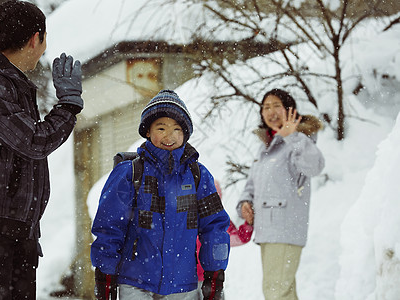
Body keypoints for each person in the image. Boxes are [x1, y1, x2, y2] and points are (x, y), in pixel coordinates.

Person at [0, 1, 83, 299]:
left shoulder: (8, 84)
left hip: (10, 222)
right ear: (36, 38)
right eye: (44, 39)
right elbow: (35, 141)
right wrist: (69, 106)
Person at [91, 90, 230, 300]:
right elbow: (109, 228)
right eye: (161, 128)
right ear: (147, 131)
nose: (169, 135)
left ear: (185, 134)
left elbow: (215, 227)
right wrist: (105, 276)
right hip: (135, 282)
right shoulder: (129, 173)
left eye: (176, 129)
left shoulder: (198, 176)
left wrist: (214, 276)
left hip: (183, 285)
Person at [237, 89, 325, 300]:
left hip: (285, 229)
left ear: (290, 111)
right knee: (282, 292)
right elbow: (252, 184)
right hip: (268, 231)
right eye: (266, 107)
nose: (270, 111)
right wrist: (245, 203)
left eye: (276, 105)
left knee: (276, 292)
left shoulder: (298, 141)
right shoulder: (266, 147)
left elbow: (314, 166)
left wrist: (292, 136)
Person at [196, 180, 253, 299]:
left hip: (210, 278)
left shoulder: (219, 221)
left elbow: (238, 238)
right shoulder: (186, 220)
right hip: (188, 280)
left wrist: (248, 224)